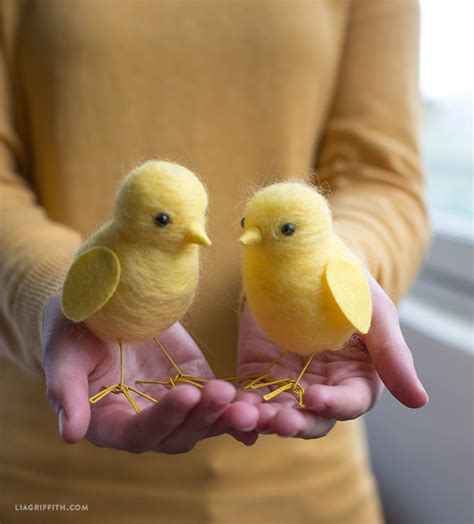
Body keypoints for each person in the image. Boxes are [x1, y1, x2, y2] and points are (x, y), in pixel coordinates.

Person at [0, 1, 429, 523]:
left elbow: (382, 175)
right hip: (47, 478)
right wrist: (61, 295)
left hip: (303, 484)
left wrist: (336, 270)